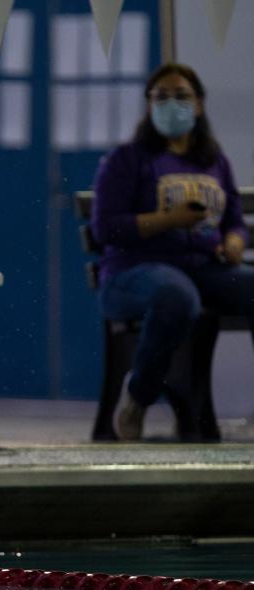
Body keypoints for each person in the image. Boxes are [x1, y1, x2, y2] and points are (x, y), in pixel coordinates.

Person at [91, 63, 251, 441]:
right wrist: (167, 220)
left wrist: (234, 243)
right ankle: (137, 397)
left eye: (181, 95)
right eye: (161, 97)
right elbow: (106, 228)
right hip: (135, 273)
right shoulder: (127, 160)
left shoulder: (213, 160)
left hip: (203, 267)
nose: (171, 104)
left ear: (199, 104)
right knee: (177, 296)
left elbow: (235, 221)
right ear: (148, 106)